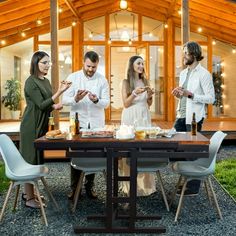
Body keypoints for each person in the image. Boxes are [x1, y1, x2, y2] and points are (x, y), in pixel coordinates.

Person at [20, 51, 71, 208]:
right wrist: (60, 91)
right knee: (30, 160)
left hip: (41, 124)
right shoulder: (30, 82)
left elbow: (46, 105)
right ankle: (28, 198)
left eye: (49, 62)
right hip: (31, 125)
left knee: (38, 159)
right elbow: (40, 105)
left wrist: (55, 106)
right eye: (44, 62)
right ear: (36, 63)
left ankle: (31, 193)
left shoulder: (46, 81)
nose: (48, 65)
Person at [62, 51, 110, 200]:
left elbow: (106, 103)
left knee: (94, 154)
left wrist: (96, 100)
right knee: (76, 154)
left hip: (96, 123)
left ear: (97, 65)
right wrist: (75, 98)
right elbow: (64, 99)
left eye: (94, 67)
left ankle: (90, 187)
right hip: (78, 122)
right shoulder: (73, 78)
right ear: (83, 62)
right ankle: (74, 189)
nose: (90, 69)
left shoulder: (102, 80)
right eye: (88, 66)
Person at [172, 41, 215, 196]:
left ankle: (193, 187)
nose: (183, 55)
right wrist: (179, 94)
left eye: (186, 52)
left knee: (193, 151)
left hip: (195, 118)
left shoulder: (204, 74)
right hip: (181, 116)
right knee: (177, 147)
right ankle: (186, 180)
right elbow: (185, 96)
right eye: (183, 52)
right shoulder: (183, 73)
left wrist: (190, 94)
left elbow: (211, 98)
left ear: (195, 54)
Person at [119, 55, 156, 196]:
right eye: (138, 63)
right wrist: (135, 93)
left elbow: (149, 103)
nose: (141, 66)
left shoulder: (145, 81)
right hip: (130, 115)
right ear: (132, 65)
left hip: (144, 114)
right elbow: (126, 103)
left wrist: (150, 96)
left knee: (144, 147)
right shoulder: (126, 82)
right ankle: (129, 186)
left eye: (142, 63)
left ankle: (145, 186)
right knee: (129, 149)